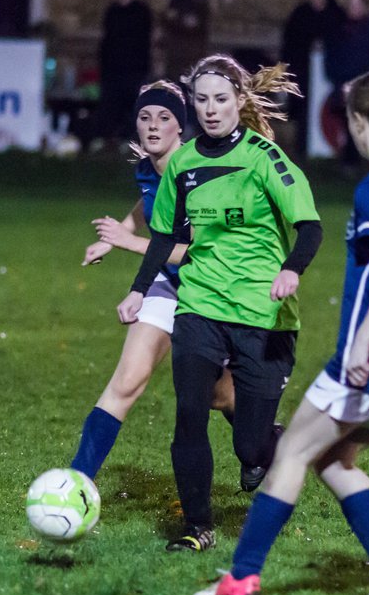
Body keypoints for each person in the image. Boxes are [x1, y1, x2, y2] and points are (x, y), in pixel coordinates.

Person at [192, 69, 369, 595]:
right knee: (334, 459)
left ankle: (242, 579)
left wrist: (365, 345)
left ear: (355, 121)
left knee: (291, 455)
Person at [116, 55, 323, 553]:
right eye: (203, 100)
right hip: (201, 303)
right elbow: (165, 235)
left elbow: (310, 226)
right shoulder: (184, 164)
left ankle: (276, 450)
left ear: (239, 102)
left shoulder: (265, 158)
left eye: (221, 100)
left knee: (248, 445)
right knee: (190, 410)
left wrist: (291, 268)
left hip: (264, 313)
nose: (211, 110)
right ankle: (198, 526)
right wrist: (139, 289)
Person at [69, 81, 236, 482]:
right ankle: (75, 482)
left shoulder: (196, 174)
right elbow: (147, 209)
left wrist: (128, 242)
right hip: (167, 286)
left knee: (222, 396)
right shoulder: (149, 167)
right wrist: (115, 239)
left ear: (180, 126)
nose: (153, 126)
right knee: (126, 382)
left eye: (164, 118)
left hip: (210, 290)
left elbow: (198, 252)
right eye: (145, 118)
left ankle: (266, 442)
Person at [280, 0, 345, 154]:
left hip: (329, 71)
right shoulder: (300, 14)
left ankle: (330, 149)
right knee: (302, 109)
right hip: (303, 71)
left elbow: (341, 39)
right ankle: (302, 148)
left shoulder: (335, 14)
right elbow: (290, 42)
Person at [94, 0, 154, 147]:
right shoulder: (112, 11)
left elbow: (144, 41)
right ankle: (107, 137)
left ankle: (129, 139)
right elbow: (107, 39)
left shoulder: (142, 12)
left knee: (133, 105)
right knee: (110, 104)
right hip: (113, 67)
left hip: (135, 68)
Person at [324, 0, 369, 164]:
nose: (354, 9)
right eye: (351, 5)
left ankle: (356, 158)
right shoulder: (340, 28)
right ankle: (349, 159)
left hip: (359, 83)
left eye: (357, 5)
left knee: (359, 121)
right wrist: (337, 76)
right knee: (346, 121)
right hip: (342, 83)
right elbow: (332, 55)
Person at [161, 0, 210, 86]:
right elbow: (169, 20)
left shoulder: (201, 4)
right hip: (175, 55)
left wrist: (180, 20)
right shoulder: (175, 2)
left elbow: (197, 26)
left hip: (193, 56)